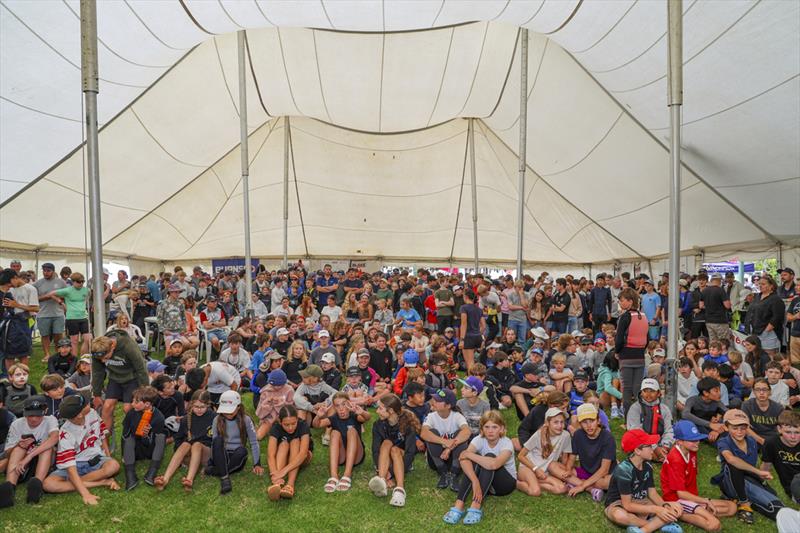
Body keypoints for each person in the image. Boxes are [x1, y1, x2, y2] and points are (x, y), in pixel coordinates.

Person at [42, 395, 121, 505]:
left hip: (96, 460)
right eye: (86, 404)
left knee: (114, 466)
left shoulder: (92, 413)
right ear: (79, 414)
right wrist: (86, 494)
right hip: (74, 465)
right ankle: (101, 482)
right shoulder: (66, 433)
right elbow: (70, 468)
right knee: (48, 484)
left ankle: (74, 482)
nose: (90, 404)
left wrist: (108, 457)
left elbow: (102, 436)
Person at [660, 420, 737, 531]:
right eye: (692, 440)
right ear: (679, 441)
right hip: (677, 500)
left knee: (732, 508)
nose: (697, 442)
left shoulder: (692, 450)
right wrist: (704, 501)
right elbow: (680, 494)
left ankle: (696, 510)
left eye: (697, 438)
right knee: (714, 525)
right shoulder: (675, 459)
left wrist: (700, 501)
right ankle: (679, 513)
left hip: (691, 497)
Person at [442, 411, 516, 525]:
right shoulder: (478, 439)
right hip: (484, 484)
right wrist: (475, 481)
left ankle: (476, 506)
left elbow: (494, 464)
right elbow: (463, 459)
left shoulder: (506, 443)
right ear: (482, 429)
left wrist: (468, 454)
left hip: (504, 485)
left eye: (495, 427)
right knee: (474, 462)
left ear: (501, 429)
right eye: (487, 427)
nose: (490, 431)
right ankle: (459, 505)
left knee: (488, 458)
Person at [712, 409, 785, 523]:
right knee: (734, 464)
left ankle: (746, 501)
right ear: (726, 427)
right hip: (730, 481)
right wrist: (758, 472)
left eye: (743, 428)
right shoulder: (723, 442)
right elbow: (731, 459)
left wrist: (760, 478)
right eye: (735, 428)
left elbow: (764, 453)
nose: (739, 432)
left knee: (772, 497)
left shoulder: (751, 441)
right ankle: (744, 502)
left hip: (747, 478)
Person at [604, 429, 684, 533]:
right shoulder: (624, 470)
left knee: (677, 507)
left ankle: (640, 527)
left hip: (640, 501)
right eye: (649, 446)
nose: (652, 450)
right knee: (619, 516)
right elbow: (627, 505)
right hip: (619, 504)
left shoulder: (647, 466)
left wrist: (664, 506)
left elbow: (652, 493)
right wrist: (656, 510)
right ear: (637, 451)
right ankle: (655, 525)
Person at [0, 396, 58, 508]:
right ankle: (10, 487)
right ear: (24, 412)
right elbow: (7, 453)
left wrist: (30, 456)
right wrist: (19, 444)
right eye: (30, 415)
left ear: (45, 411)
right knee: (18, 448)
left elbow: (54, 438)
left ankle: (37, 484)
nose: (34, 419)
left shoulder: (50, 420)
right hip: (22, 466)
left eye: (38, 415)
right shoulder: (17, 424)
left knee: (47, 447)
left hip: (43, 461)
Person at [154, 390, 214, 492]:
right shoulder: (186, 419)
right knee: (185, 444)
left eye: (202, 407)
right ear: (191, 404)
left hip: (207, 456)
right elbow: (178, 439)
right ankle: (165, 478)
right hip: (190, 458)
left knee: (197, 444)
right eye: (196, 406)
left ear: (208, 404)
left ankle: (189, 479)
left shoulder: (214, 418)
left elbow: (217, 441)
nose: (199, 410)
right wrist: (181, 459)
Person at [90, 332, 149, 432]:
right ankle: (104, 441)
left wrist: (145, 391)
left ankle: (134, 434)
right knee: (107, 407)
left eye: (106, 358)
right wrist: (97, 394)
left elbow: (141, 369)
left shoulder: (128, 346)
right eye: (101, 359)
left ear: (112, 346)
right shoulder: (97, 350)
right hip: (115, 378)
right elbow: (97, 373)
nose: (103, 361)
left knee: (128, 408)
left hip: (132, 377)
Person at [207, 390, 263, 495]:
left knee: (243, 451)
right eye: (225, 410)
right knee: (218, 440)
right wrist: (211, 460)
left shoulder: (246, 420)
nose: (228, 413)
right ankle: (225, 479)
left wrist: (257, 464)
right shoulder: (216, 420)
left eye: (231, 410)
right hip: (221, 454)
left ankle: (216, 471)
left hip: (237, 455)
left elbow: (254, 442)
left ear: (238, 407)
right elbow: (214, 443)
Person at [368, 394, 420, 507]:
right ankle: (381, 481)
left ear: (391, 410)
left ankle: (400, 489)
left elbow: (410, 452)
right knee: (387, 442)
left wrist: (391, 474)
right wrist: (383, 471)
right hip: (384, 460)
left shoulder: (407, 425)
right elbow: (376, 450)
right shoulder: (378, 425)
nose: (377, 411)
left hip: (402, 459)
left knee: (395, 449)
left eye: (380, 408)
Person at [314, 392, 370, 493]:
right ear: (334, 407)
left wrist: (362, 412)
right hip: (341, 456)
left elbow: (367, 418)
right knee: (334, 432)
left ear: (349, 404)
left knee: (352, 431)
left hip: (356, 456)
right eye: (337, 405)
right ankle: (334, 476)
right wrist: (318, 416)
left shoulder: (354, 416)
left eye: (344, 404)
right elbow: (317, 425)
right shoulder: (334, 418)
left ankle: (347, 474)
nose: (341, 408)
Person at [563, 403, 616, 502]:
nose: (588, 425)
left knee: (611, 482)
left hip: (603, 476)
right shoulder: (578, 434)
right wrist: (568, 469)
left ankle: (577, 483)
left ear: (598, 420)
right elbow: (572, 457)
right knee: (556, 467)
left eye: (592, 421)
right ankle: (589, 487)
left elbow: (604, 470)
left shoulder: (608, 438)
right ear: (579, 423)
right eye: (584, 422)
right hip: (586, 472)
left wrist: (582, 485)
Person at [421, 388, 471, 491]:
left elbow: (467, 432)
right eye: (434, 399)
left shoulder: (457, 416)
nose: (433, 401)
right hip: (437, 460)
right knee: (432, 432)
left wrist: (449, 448)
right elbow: (424, 433)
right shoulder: (431, 416)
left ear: (448, 406)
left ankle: (454, 473)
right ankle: (442, 472)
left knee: (460, 434)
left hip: (455, 458)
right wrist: (444, 441)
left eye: (438, 400)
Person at [517, 407, 572, 496]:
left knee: (561, 488)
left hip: (545, 472)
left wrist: (564, 473)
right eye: (555, 422)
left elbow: (565, 458)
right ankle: (517, 483)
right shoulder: (538, 435)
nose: (560, 426)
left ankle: (534, 481)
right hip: (529, 468)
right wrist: (536, 469)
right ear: (547, 423)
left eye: (562, 422)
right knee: (535, 491)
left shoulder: (566, 435)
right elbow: (520, 456)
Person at [121, 386, 167, 490]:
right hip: (134, 451)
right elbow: (124, 435)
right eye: (132, 400)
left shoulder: (158, 417)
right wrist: (124, 454)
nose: (132, 404)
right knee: (129, 439)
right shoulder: (131, 414)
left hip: (150, 450)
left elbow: (152, 442)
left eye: (136, 402)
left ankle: (152, 471)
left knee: (161, 437)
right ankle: (130, 475)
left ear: (147, 404)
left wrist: (147, 435)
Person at [266, 405, 313, 501]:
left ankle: (290, 485)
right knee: (283, 444)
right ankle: (277, 484)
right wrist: (274, 473)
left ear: (297, 419)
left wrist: (283, 471)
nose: (290, 427)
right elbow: (270, 454)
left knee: (295, 442)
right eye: (286, 425)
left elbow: (303, 453)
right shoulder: (276, 427)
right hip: (285, 457)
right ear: (280, 422)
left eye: (293, 423)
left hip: (302, 457)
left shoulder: (303, 425)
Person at [615, 288, 648, 418]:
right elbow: (647, 338)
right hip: (640, 357)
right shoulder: (644, 316)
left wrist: (617, 352)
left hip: (626, 357)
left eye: (622, 300)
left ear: (630, 301)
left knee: (627, 390)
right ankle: (642, 416)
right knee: (638, 389)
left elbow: (619, 338)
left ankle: (629, 419)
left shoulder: (625, 316)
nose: (620, 303)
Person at [625, 378, 674, 461]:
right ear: (641, 393)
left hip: (660, 442)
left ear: (658, 393)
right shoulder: (635, 408)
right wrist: (654, 447)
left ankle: (662, 455)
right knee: (640, 448)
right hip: (643, 443)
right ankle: (658, 456)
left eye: (652, 391)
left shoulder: (664, 409)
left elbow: (669, 430)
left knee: (677, 444)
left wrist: (665, 446)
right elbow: (636, 431)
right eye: (645, 391)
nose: (648, 394)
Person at [760, 410, 800, 503]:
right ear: (779, 429)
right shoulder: (771, 443)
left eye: (797, 432)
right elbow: (765, 467)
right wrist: (760, 481)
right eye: (788, 432)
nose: (793, 436)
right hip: (795, 488)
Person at [33, 262, 67, 362]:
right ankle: (47, 355)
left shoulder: (61, 282)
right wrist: (47, 296)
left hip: (58, 314)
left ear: (53, 271)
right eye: (44, 271)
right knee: (45, 335)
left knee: (58, 335)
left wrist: (59, 299)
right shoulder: (38, 283)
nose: (46, 273)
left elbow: (66, 296)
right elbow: (34, 299)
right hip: (43, 314)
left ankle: (58, 353)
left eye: (48, 271)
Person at [745, 275, 786, 355]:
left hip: (768, 333)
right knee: (756, 356)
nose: (760, 285)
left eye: (763, 284)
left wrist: (766, 330)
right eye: (759, 284)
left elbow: (777, 317)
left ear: (771, 286)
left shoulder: (776, 299)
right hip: (754, 331)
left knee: (769, 357)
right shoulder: (757, 296)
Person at [681, 377, 727, 443]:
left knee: (727, 426)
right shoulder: (693, 400)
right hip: (696, 425)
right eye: (716, 391)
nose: (719, 393)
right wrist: (710, 424)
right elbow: (685, 414)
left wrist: (717, 430)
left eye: (719, 390)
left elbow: (729, 414)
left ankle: (716, 439)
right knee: (692, 425)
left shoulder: (717, 402)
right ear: (706, 393)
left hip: (709, 427)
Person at [255, 369, 295, 441]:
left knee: (288, 436)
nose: (277, 387)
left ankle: (277, 430)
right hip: (269, 417)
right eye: (274, 385)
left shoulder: (289, 390)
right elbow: (259, 412)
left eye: (279, 385)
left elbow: (292, 408)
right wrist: (266, 405)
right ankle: (258, 429)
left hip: (285, 417)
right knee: (258, 437)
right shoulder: (265, 391)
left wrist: (282, 404)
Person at [741, 377, 783, 445]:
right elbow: (745, 427)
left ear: (770, 391)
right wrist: (762, 441)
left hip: (773, 437)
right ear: (754, 391)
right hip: (753, 436)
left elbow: (782, 429)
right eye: (757, 389)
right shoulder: (746, 405)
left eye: (764, 389)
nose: (761, 392)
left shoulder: (778, 408)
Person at [459, 289, 485, 370]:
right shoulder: (479, 309)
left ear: (466, 297)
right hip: (477, 337)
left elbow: (464, 324)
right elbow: (483, 326)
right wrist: (478, 333)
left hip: (468, 337)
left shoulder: (464, 308)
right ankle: (471, 379)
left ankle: (472, 381)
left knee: (470, 363)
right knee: (472, 361)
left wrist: (462, 339)